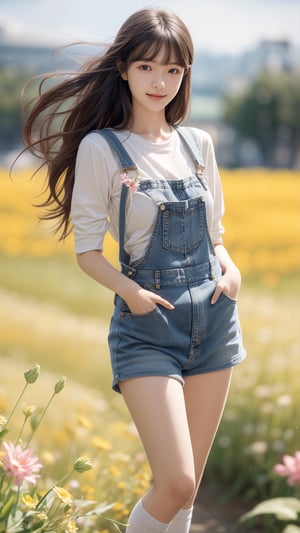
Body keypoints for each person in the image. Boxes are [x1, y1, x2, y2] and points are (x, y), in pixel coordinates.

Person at [23, 7, 246, 532]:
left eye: (173, 70)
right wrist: (133, 293)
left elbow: (217, 236)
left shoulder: (199, 145)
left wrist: (231, 271)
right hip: (147, 328)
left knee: (188, 495)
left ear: (185, 75)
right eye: (147, 67)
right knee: (176, 482)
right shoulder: (104, 147)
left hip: (215, 321)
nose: (160, 81)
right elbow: (87, 251)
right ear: (123, 68)